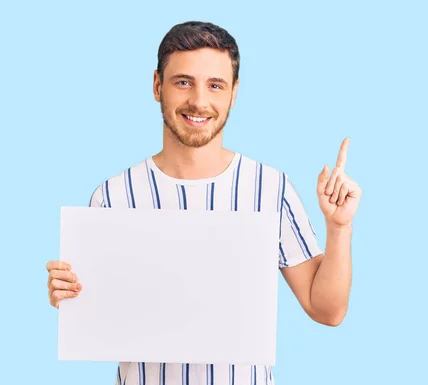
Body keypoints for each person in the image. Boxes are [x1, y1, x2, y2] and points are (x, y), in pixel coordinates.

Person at [45, 21, 361, 385]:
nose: (199, 100)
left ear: (234, 93)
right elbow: (102, 317)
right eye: (183, 82)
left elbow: (328, 310)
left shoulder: (270, 188)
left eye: (215, 85)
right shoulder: (113, 196)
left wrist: (339, 228)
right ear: (156, 86)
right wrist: (70, 297)